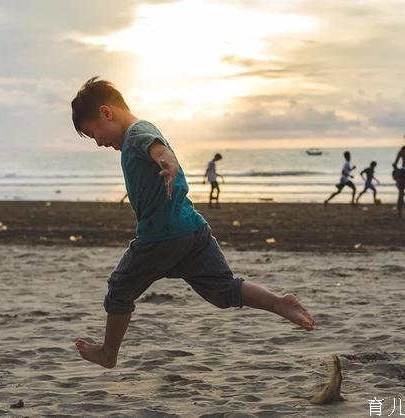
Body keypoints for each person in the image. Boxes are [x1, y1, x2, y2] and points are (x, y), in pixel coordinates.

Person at [70, 77, 315, 369]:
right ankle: (278, 302)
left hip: (161, 236)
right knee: (223, 290)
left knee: (119, 289)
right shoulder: (136, 136)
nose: (97, 141)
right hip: (193, 230)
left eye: (93, 132)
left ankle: (108, 353)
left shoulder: (138, 133)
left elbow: (159, 149)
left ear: (106, 112)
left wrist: (168, 162)